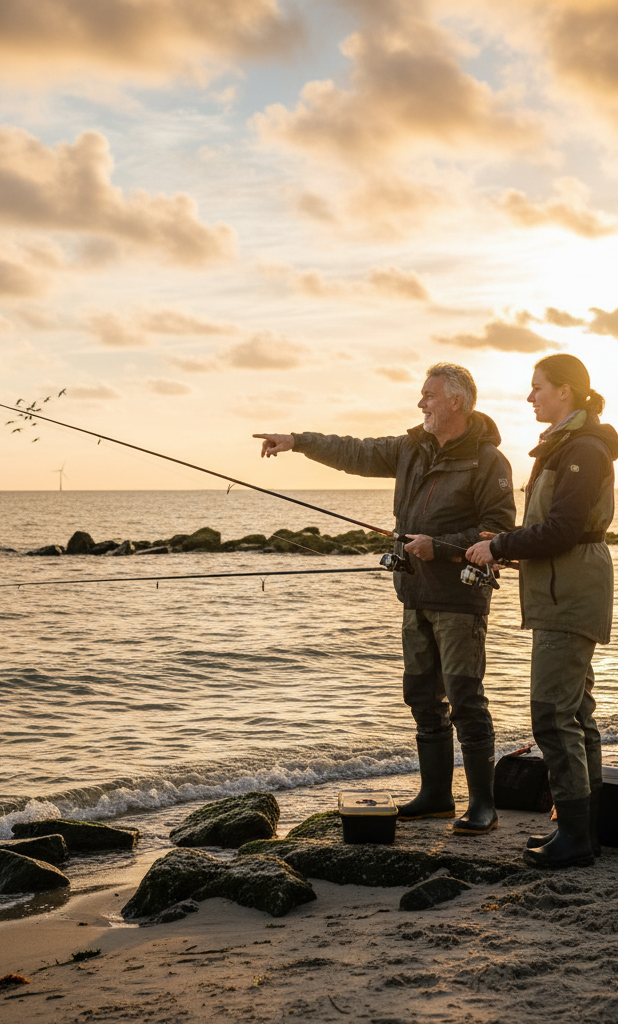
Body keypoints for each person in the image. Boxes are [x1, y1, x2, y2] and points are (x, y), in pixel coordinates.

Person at [254, 363, 515, 835]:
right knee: (420, 697)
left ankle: (483, 805)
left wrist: (440, 546)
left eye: (429, 395)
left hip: (459, 602)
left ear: (455, 401)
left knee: (466, 699)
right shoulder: (409, 447)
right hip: (413, 594)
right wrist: (297, 440)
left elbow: (498, 533)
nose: (421, 403)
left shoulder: (488, 460)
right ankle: (436, 796)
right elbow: (353, 451)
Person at [466, 353, 617, 868]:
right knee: (576, 712)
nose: (529, 396)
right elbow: (557, 529)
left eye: (538, 387)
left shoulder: (584, 448)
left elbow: (564, 529)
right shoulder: (568, 444)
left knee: (553, 714)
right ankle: (584, 832)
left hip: (570, 593)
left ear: (566, 392)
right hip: (563, 588)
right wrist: (506, 545)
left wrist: (502, 544)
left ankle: (575, 836)